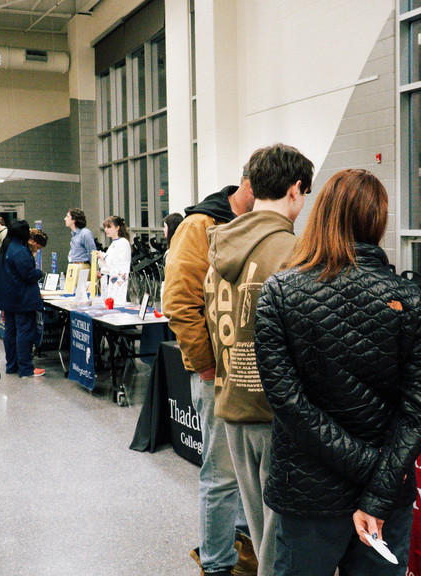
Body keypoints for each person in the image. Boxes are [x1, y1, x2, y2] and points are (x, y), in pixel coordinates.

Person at [254, 168, 421, 575]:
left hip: (308, 491)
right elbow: (419, 411)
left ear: (319, 214)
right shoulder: (411, 300)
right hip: (385, 491)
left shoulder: (280, 293)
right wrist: (379, 480)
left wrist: (370, 471)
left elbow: (290, 406)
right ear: (378, 220)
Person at [204, 143, 313, 576]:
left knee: (258, 523)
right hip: (277, 412)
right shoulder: (294, 251)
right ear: (295, 190)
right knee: (282, 538)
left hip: (233, 402)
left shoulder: (221, 246)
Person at [163, 164, 257, 576]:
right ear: (249, 183)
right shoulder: (200, 225)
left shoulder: (258, 225)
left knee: (245, 476)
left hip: (251, 376)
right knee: (221, 475)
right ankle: (217, 564)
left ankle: (240, 547)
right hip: (217, 375)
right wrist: (204, 363)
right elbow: (180, 302)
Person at [0, 219, 46, 379]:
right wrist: (40, 273)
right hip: (21, 298)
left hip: (7, 298)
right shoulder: (21, 251)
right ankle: (26, 368)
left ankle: (12, 365)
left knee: (10, 332)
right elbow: (28, 274)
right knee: (24, 331)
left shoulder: (5, 247)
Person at [97, 215, 131, 303]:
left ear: (117, 228)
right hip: (108, 281)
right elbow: (109, 264)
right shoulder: (113, 244)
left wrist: (105, 257)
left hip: (118, 283)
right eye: (105, 227)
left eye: (109, 227)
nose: (106, 230)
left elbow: (119, 265)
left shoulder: (123, 243)